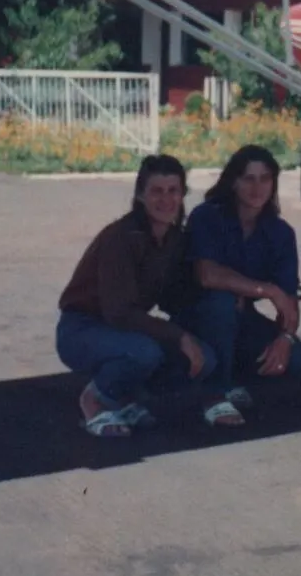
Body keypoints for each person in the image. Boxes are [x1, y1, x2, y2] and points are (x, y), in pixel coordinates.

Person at [55, 154, 218, 438]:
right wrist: (179, 336)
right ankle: (94, 399)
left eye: (173, 191)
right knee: (144, 352)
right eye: (157, 191)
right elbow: (118, 312)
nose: (166, 200)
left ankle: (122, 395)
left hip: (124, 330)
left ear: (182, 195)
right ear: (140, 195)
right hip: (82, 329)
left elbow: (174, 297)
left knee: (207, 357)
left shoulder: (174, 240)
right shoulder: (121, 237)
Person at [172, 144, 301, 427]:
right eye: (249, 178)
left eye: (265, 178)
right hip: (197, 317)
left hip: (241, 319)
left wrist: (286, 339)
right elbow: (207, 276)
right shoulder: (207, 216)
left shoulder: (280, 232)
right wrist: (267, 290)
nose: (258, 187)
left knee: (298, 359)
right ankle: (214, 395)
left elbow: (289, 299)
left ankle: (233, 378)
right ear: (233, 181)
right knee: (221, 301)